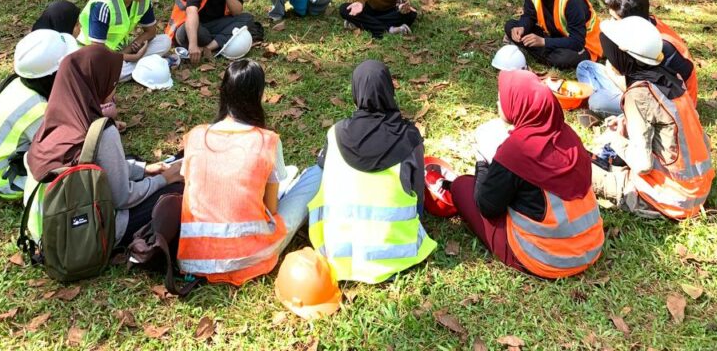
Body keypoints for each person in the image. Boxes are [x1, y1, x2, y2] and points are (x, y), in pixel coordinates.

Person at [24, 45, 183, 248]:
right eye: (113, 80)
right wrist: (163, 179)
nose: (114, 88)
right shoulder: (102, 132)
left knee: (137, 165)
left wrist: (145, 169)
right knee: (176, 190)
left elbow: (92, 166)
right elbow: (123, 198)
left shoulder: (53, 117)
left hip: (46, 229)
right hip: (83, 235)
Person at [177, 60, 320, 285]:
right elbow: (272, 209)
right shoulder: (266, 140)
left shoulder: (195, 137)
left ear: (223, 92)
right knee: (315, 176)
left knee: (287, 171)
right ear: (258, 95)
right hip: (250, 255)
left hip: (193, 258)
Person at [451, 70, 604, 278]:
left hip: (547, 260)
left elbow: (487, 206)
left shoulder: (516, 151)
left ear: (517, 104)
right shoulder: (569, 136)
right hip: (592, 245)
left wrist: (482, 159)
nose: (498, 102)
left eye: (501, 97)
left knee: (461, 186)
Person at [307, 60, 436, 283]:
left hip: (336, 253)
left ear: (356, 92)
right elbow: (418, 196)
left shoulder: (335, 133)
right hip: (398, 253)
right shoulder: (409, 137)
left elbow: (324, 170)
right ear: (389, 90)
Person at [590, 17, 713, 220]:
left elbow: (642, 164)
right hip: (699, 188)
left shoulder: (639, 95)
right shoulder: (672, 78)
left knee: (581, 169)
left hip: (671, 200)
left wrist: (617, 140)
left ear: (622, 53)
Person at [0, 30, 77, 199]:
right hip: (9, 180)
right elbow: (60, 153)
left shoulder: (20, 83)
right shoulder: (37, 110)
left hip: (3, 164)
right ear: (52, 75)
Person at [577, 0, 697, 116]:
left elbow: (646, 92)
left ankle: (613, 108)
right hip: (635, 84)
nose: (611, 22)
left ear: (633, 20)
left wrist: (613, 73)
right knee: (585, 67)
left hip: (665, 105)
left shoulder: (657, 47)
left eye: (615, 19)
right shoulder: (643, 26)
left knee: (597, 101)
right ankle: (610, 100)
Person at [78, 0, 172, 82]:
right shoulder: (103, 5)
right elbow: (98, 51)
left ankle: (142, 68)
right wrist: (132, 57)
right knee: (102, 72)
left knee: (165, 41)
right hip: (92, 55)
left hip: (122, 49)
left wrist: (136, 45)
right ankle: (153, 67)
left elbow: (151, 32)